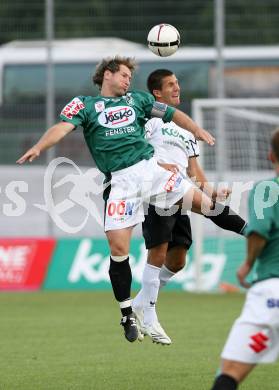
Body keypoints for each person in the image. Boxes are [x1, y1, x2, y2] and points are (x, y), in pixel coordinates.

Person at [17, 56, 215, 343]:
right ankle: (127, 314)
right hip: (120, 183)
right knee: (119, 247)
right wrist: (39, 146)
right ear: (107, 74)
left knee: (180, 248)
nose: (127, 81)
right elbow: (62, 127)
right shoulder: (83, 105)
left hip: (150, 175)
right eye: (123, 75)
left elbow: (172, 113)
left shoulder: (137, 100)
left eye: (129, 78)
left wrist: (196, 130)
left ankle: (145, 304)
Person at [132, 69, 247, 345]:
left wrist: (213, 189)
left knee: (178, 260)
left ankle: (140, 301)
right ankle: (148, 312)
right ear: (156, 93)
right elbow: (135, 152)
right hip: (157, 189)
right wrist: (159, 165)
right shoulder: (150, 120)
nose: (177, 88)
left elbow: (194, 170)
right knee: (159, 251)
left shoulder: (185, 128)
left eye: (178, 83)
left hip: (181, 191)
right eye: (171, 84)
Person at [210, 128, 279, 390]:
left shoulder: (267, 189)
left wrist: (248, 264)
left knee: (229, 373)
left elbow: (259, 232)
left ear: (270, 156)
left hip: (272, 295)